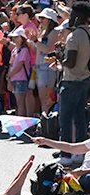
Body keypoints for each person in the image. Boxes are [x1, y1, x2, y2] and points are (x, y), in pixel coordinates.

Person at [53, 2, 90, 165]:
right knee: (80, 117)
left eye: (74, 14)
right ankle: (80, 154)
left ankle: (66, 154)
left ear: (79, 16)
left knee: (65, 119)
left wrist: (60, 57)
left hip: (71, 80)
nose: (72, 17)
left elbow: (71, 62)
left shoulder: (73, 36)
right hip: (85, 79)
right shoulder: (88, 33)